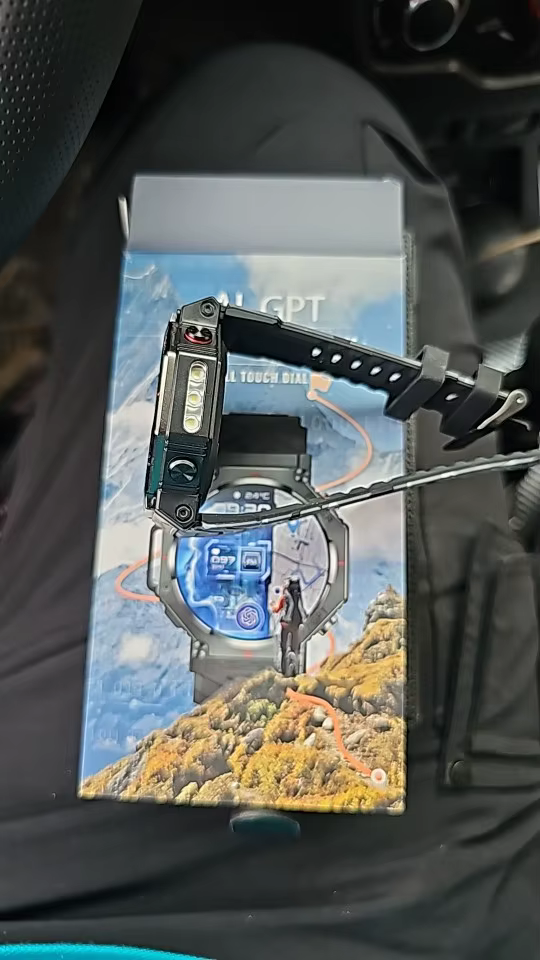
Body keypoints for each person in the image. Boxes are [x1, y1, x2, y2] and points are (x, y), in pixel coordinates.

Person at [0, 43, 539, 960]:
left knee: (264, 120)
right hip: (437, 894)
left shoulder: (210, 587)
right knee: (289, 117)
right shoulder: (296, 584)